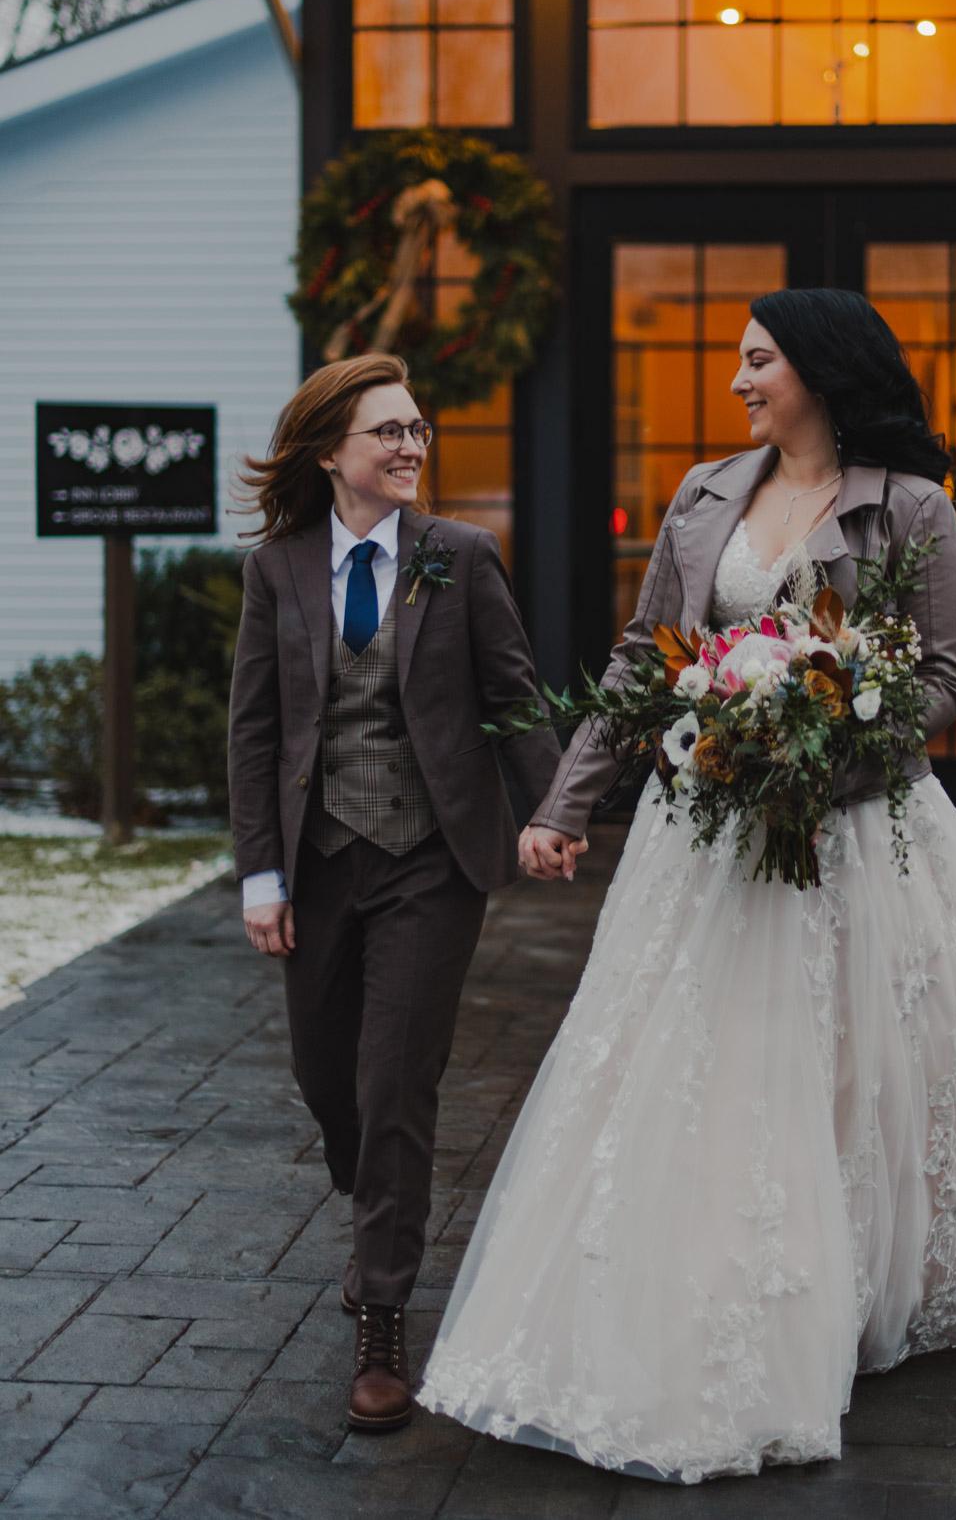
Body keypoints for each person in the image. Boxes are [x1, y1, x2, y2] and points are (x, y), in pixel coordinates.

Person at [419, 289, 956, 1482]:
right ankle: (729, 1271)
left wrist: (828, 746)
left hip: (852, 830)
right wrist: (563, 801)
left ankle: (849, 1284)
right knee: (714, 1053)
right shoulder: (704, 493)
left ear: (820, 369)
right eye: (741, 361)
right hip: (700, 835)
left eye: (760, 360)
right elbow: (646, 657)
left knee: (861, 1056)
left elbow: (944, 674)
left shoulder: (910, 506)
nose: (741, 379)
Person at [227, 353, 560, 1434]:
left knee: (397, 1084)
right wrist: (261, 875)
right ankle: (367, 1169)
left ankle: (380, 1312)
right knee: (331, 1084)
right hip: (319, 861)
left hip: (432, 858)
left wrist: (551, 809)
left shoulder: (461, 557)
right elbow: (254, 731)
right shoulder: (276, 569)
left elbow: (512, 697)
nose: (412, 446)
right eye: (389, 431)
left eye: (418, 429)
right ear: (333, 452)